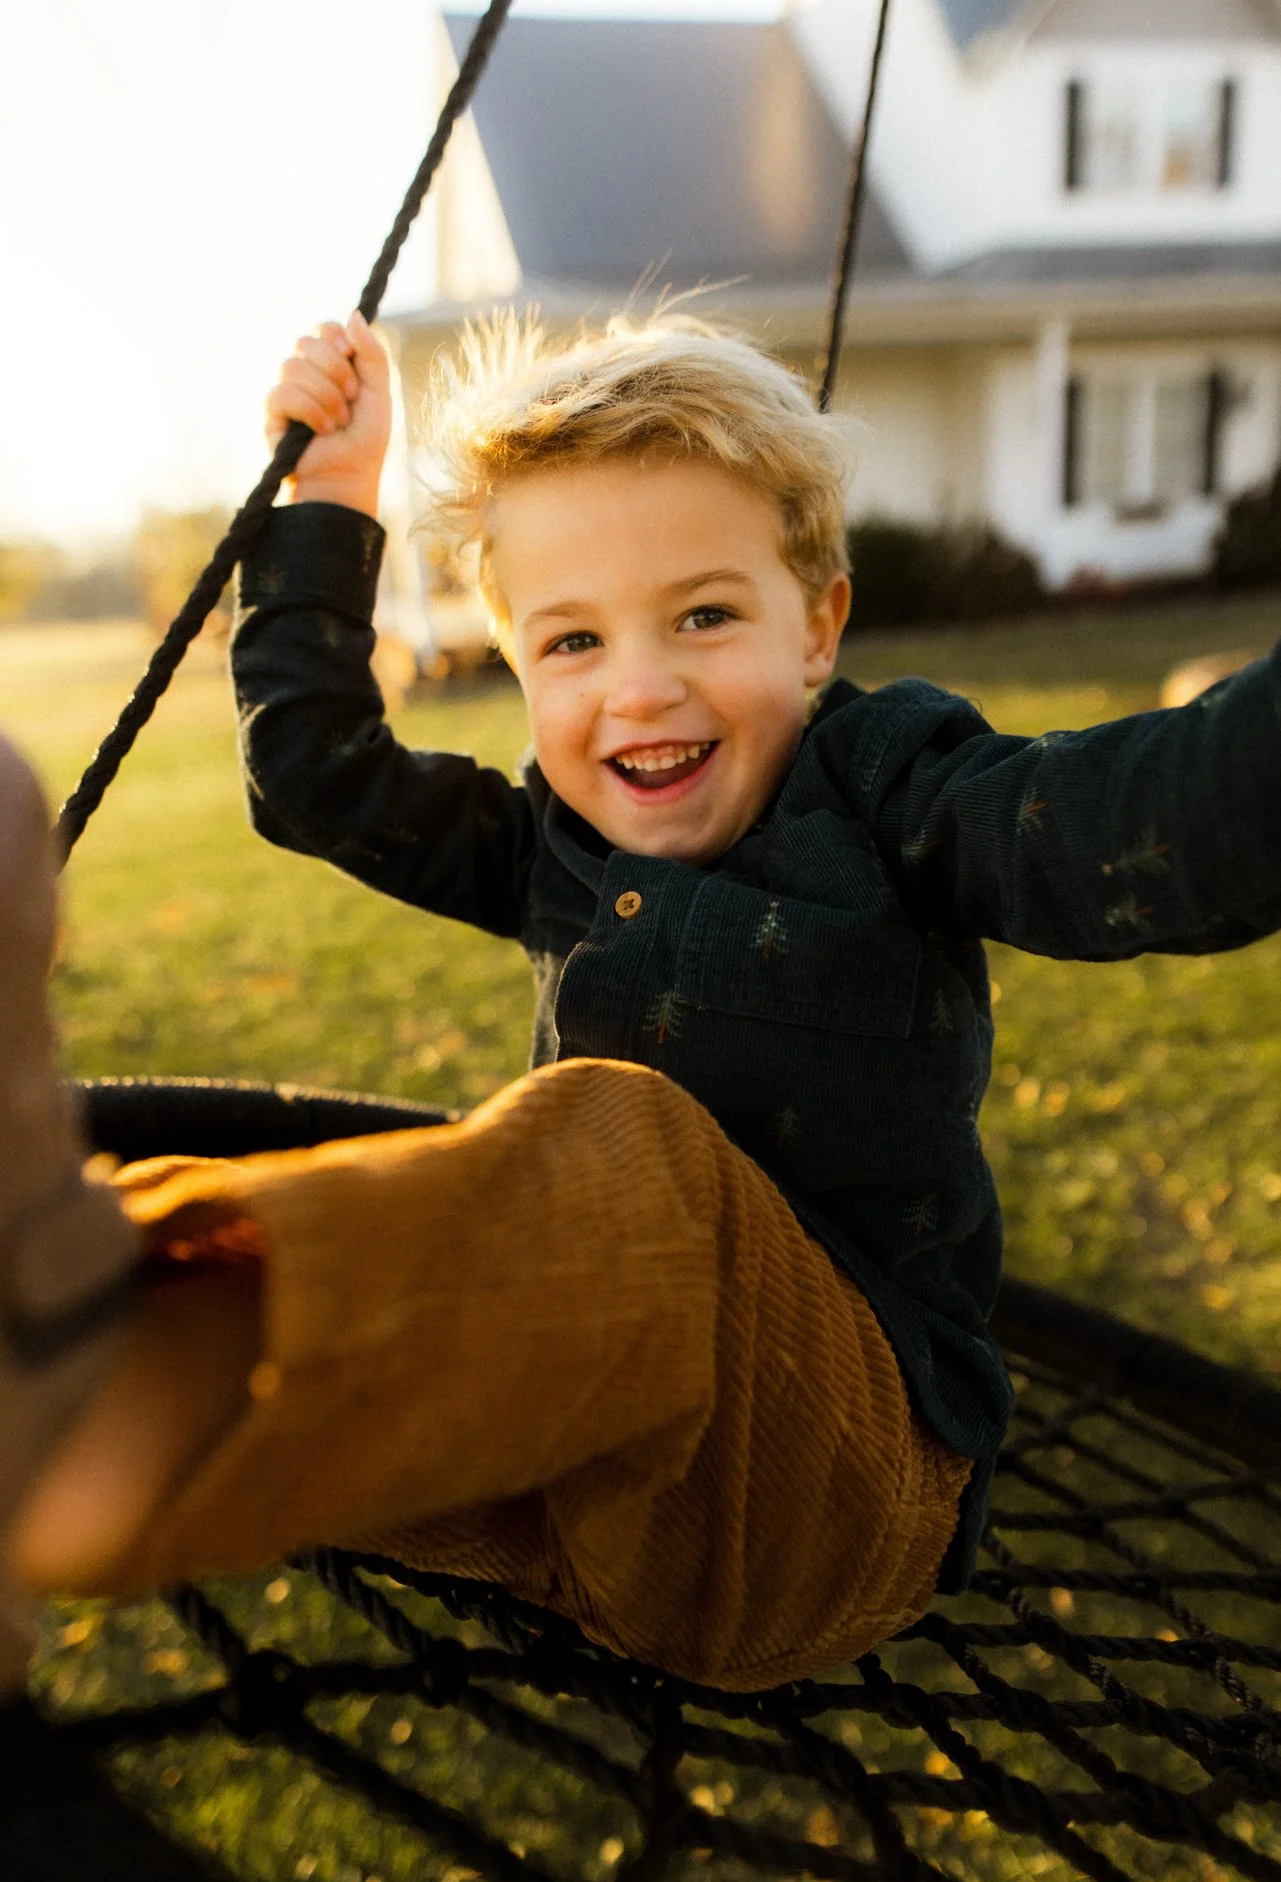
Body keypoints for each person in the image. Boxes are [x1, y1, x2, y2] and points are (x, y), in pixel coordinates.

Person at [3, 309, 1281, 1697]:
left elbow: (1114, 826)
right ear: (516, 658)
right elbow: (316, 775)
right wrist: (332, 497)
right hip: (564, 1493)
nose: (640, 689)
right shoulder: (546, 839)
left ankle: (71, 1395)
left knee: (618, 1142)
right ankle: (77, 1355)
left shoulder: (895, 793)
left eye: (705, 615)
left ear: (819, 625)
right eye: (571, 644)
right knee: (354, 1233)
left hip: (834, 1489)